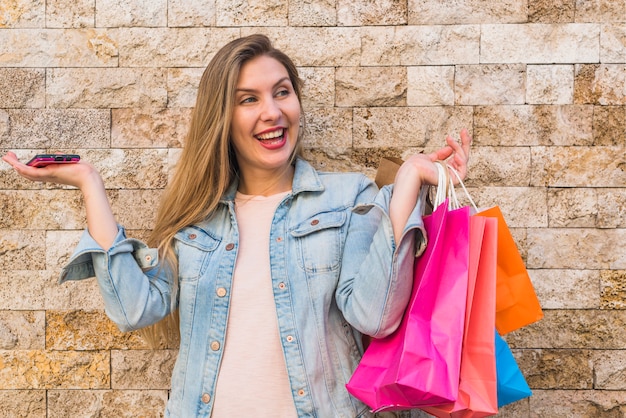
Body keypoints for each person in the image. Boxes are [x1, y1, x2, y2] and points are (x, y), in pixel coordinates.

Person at [2, 34, 471, 418]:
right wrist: (89, 182)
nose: (272, 112)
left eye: (281, 91)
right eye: (249, 99)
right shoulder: (195, 216)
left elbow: (375, 316)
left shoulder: (348, 199)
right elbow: (133, 309)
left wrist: (408, 182)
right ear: (221, 119)